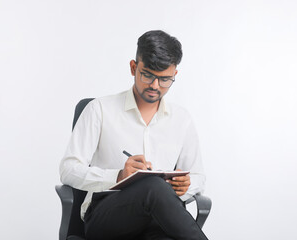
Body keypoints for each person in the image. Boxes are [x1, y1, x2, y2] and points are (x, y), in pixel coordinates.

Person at [60, 30, 208, 240]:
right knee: (153, 187)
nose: (155, 86)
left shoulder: (182, 119)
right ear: (133, 67)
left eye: (165, 79)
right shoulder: (99, 109)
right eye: (148, 75)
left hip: (158, 222)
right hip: (108, 217)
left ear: (175, 75)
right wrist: (118, 176)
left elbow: (198, 177)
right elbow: (68, 169)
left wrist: (186, 185)